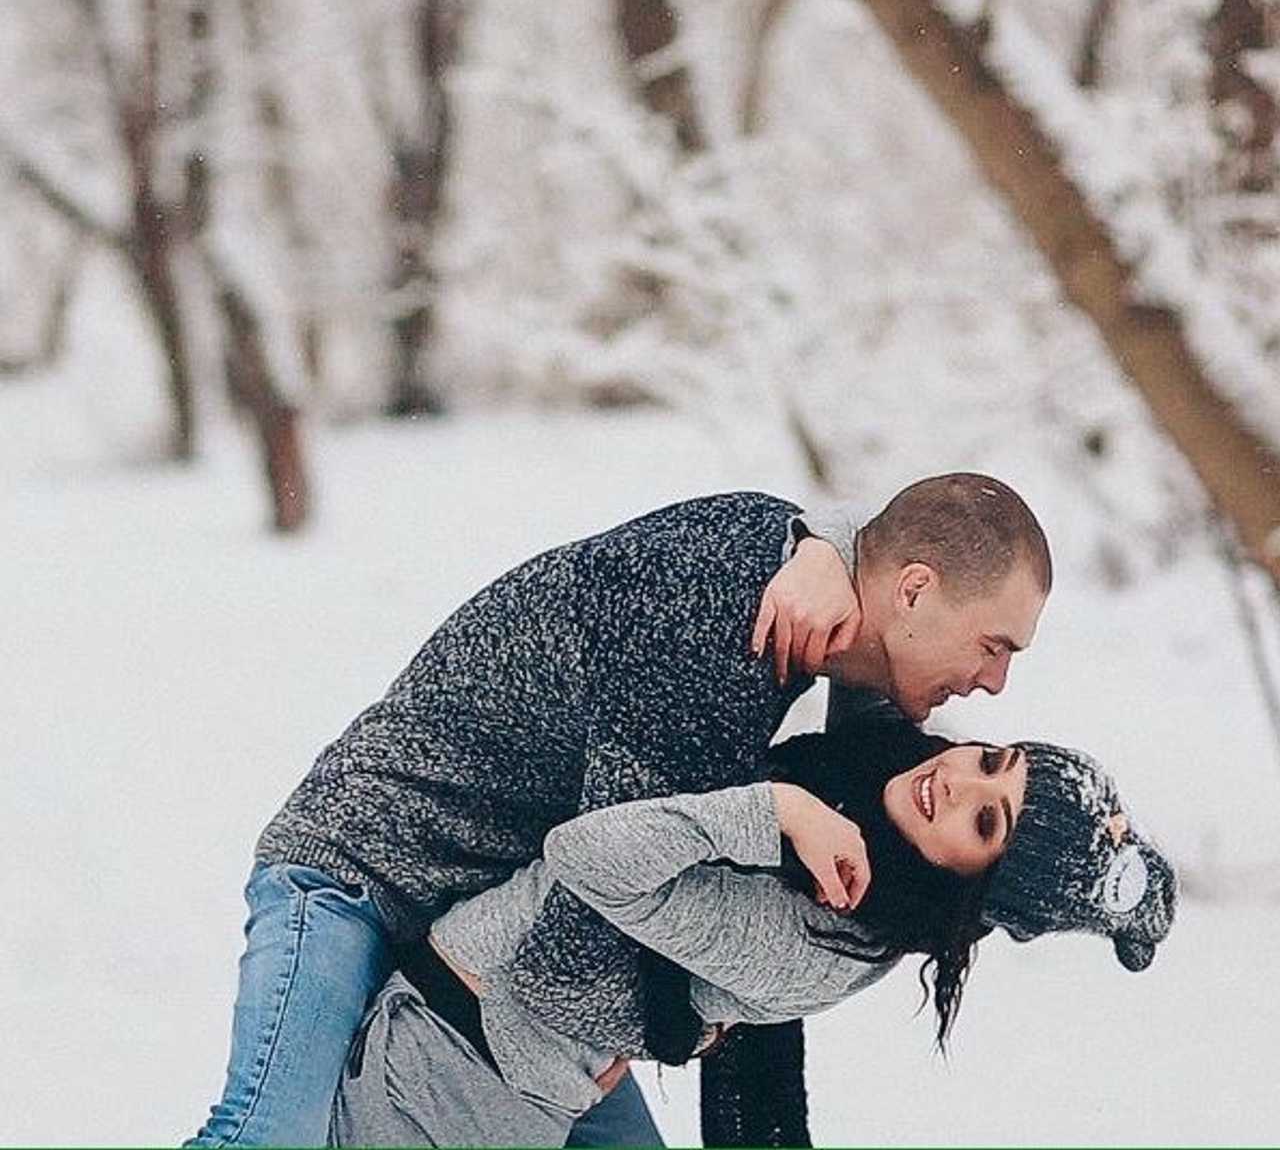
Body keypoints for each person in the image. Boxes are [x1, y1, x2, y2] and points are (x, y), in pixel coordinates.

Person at [189, 475, 1052, 1147]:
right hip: (365, 871)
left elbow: (905, 526)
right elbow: (577, 940)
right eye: (993, 645)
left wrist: (823, 540)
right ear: (909, 594)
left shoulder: (810, 592)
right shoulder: (718, 624)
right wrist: (671, 1024)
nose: (996, 683)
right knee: (268, 1137)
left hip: (484, 906)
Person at [329, 695, 1177, 1147]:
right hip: (466, 1036)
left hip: (468, 1084)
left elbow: (584, 859)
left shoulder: (822, 940)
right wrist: (818, 551)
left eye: (985, 822)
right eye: (993, 760)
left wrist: (771, 811)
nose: (958, 781)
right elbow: (876, 639)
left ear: (971, 894)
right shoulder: (885, 775)